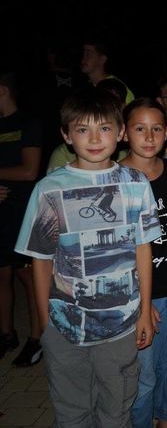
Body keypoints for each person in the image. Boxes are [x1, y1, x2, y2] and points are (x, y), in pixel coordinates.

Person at [15, 87, 159, 426]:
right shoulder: (50, 189)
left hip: (122, 324)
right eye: (82, 129)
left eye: (104, 128)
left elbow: (143, 249)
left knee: (117, 408)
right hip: (65, 326)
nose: (95, 138)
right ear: (67, 135)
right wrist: (45, 323)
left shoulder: (136, 183)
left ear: (120, 133)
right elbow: (41, 260)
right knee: (72, 411)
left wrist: (144, 312)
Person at [121, 99, 167, 428]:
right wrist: (141, 301)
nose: (149, 137)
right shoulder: (115, 179)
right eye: (140, 128)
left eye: (156, 129)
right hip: (135, 297)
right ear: (124, 133)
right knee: (142, 374)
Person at [0, 72, 43, 366]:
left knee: (28, 276)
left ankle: (37, 338)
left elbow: (29, 171)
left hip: (23, 211)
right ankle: (6, 334)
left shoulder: (29, 122)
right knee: (2, 274)